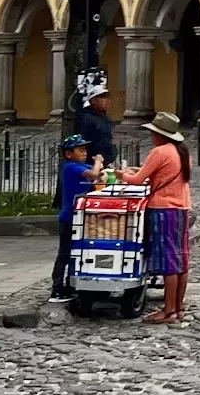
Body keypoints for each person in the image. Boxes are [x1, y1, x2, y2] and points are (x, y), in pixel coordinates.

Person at [121, 111, 193, 324]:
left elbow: (137, 180)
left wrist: (121, 175)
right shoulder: (182, 151)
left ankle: (168, 311)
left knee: (168, 260)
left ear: (159, 134)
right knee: (181, 258)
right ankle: (179, 308)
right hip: (182, 208)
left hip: (163, 209)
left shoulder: (159, 152)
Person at [50, 135, 102, 301]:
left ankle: (71, 284)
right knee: (64, 253)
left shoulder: (80, 165)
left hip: (80, 216)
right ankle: (57, 289)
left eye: (85, 149)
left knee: (77, 252)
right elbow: (94, 174)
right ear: (68, 154)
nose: (84, 153)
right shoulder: (71, 167)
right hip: (69, 216)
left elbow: (99, 174)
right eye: (80, 150)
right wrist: (99, 161)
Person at [75, 83, 117, 168]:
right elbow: (82, 141)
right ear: (93, 100)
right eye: (102, 97)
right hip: (92, 162)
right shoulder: (85, 117)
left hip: (105, 162)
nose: (106, 100)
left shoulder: (103, 116)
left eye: (106, 97)